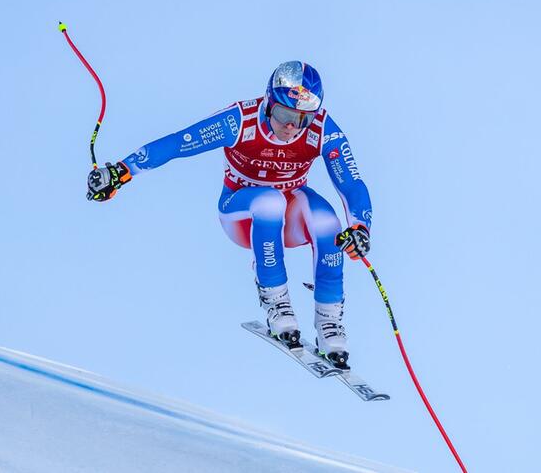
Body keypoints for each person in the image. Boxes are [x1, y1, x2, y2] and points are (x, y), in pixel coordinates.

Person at [86, 61, 372, 368]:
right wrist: (121, 171)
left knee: (328, 221)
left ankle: (330, 323)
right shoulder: (241, 120)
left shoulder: (321, 129)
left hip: (289, 218)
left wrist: (361, 227)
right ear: (268, 104)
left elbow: (351, 181)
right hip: (242, 213)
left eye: (301, 120)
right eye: (284, 115)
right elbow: (178, 143)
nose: (291, 127)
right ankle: (277, 302)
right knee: (269, 201)